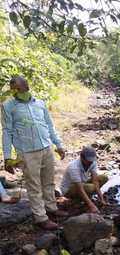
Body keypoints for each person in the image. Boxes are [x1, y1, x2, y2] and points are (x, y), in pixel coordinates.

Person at [1, 76, 67, 230]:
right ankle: (41, 217)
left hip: (46, 147)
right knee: (34, 186)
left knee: (49, 181)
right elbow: (7, 132)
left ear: (27, 87)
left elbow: (49, 126)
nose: (21, 91)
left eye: (23, 88)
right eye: (17, 90)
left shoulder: (40, 103)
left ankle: (52, 208)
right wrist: (8, 157)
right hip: (26, 152)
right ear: (13, 91)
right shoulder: (8, 106)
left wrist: (59, 145)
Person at [59, 146, 108, 214]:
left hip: (82, 183)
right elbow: (80, 188)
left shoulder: (92, 162)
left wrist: (101, 199)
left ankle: (87, 197)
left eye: (91, 160)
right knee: (91, 187)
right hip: (69, 189)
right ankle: (78, 200)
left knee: (104, 177)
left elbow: (95, 181)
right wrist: (91, 205)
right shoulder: (73, 167)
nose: (90, 162)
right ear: (82, 157)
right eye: (88, 160)